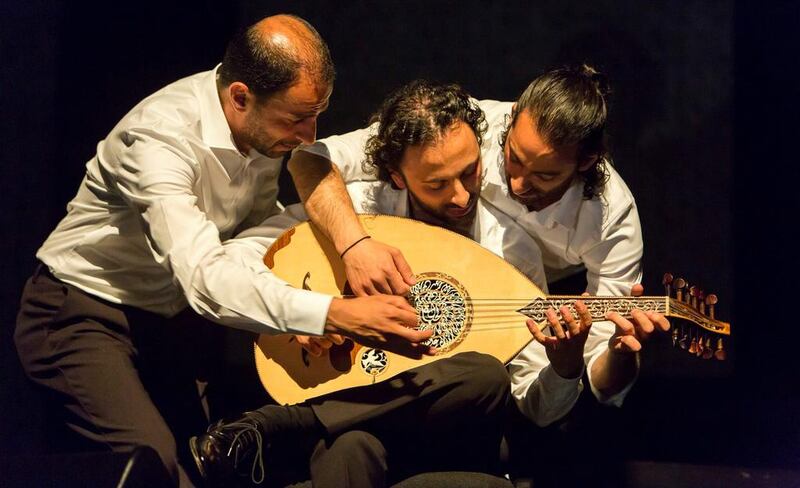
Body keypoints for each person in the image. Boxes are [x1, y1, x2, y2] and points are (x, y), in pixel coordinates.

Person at [13, 15, 434, 487]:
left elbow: (253, 231)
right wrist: (333, 313)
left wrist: (296, 306)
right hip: (79, 314)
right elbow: (203, 277)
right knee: (161, 471)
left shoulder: (258, 131)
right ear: (240, 97)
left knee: (218, 464)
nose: (309, 136)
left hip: (168, 323)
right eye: (297, 118)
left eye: (317, 114)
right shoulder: (159, 141)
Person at [191, 79, 668, 487]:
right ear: (396, 176)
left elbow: (538, 408)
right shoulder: (360, 208)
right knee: (353, 448)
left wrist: (565, 365)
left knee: (484, 375)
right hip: (355, 396)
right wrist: (309, 310)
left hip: (449, 423)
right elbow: (244, 248)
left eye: (471, 173)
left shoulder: (512, 248)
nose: (463, 196)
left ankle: (281, 427)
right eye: (437, 184)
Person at [292, 65, 667, 422]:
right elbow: (312, 159)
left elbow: (597, 382)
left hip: (531, 298)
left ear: (586, 163)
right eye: (513, 159)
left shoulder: (610, 219)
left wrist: (617, 354)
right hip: (436, 270)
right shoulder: (465, 128)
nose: (518, 184)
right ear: (511, 121)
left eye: (545, 175)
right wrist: (348, 254)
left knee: (490, 379)